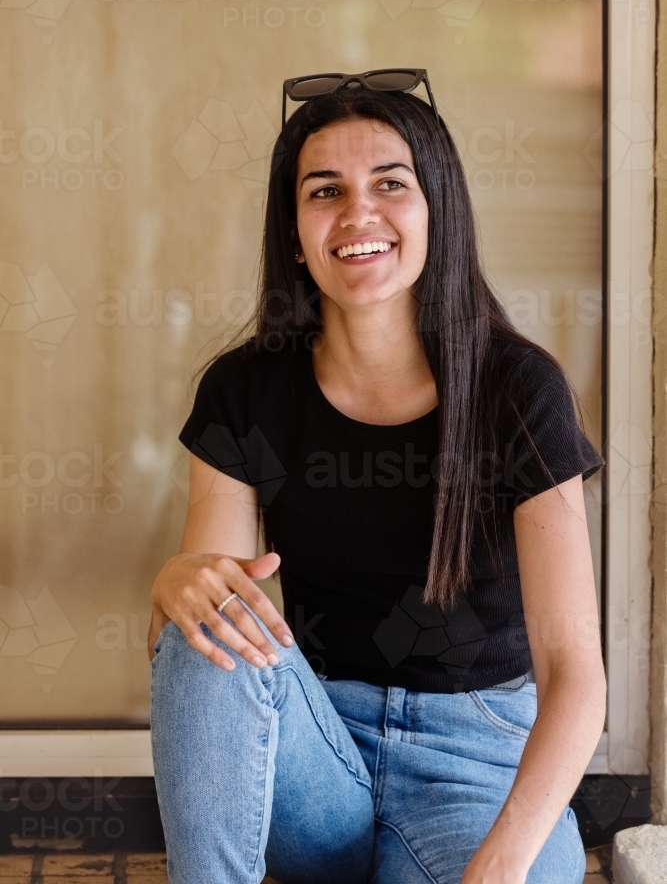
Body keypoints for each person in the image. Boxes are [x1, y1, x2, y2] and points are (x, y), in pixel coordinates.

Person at [148, 71, 606, 884]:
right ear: (294, 232)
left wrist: (499, 865)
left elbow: (574, 670)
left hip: (477, 766)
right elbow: (209, 634)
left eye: (390, 184)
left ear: (437, 211)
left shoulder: (516, 388)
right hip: (314, 754)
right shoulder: (244, 389)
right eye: (325, 191)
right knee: (207, 622)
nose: (358, 214)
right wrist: (181, 585)